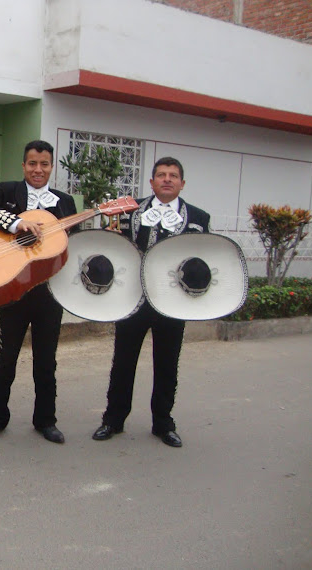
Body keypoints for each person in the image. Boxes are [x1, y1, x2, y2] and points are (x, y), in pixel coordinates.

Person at [92, 156, 210, 448]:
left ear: (182, 183)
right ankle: (113, 419)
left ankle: (163, 423)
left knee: (167, 364)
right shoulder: (129, 211)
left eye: (173, 175)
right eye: (161, 174)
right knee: (123, 362)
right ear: (151, 182)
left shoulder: (198, 217)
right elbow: (113, 248)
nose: (167, 179)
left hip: (173, 303)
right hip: (133, 300)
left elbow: (203, 260)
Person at [0, 140, 77, 444]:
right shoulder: (7, 191)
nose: (38, 170)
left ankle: (46, 420)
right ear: (23, 166)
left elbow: (71, 241)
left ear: (51, 166)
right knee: (6, 359)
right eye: (32, 163)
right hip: (12, 288)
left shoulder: (64, 201)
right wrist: (17, 223)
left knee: (46, 361)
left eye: (44, 164)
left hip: (49, 292)